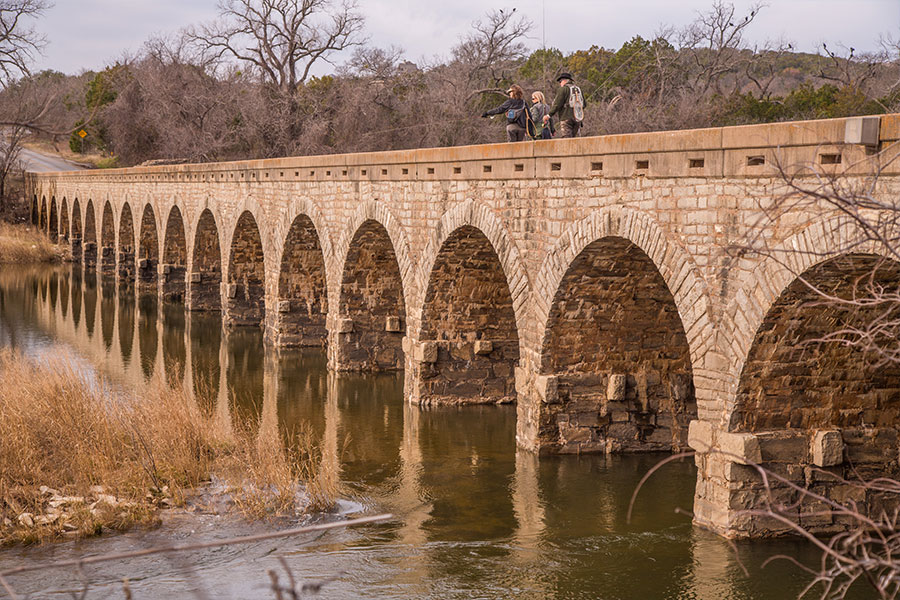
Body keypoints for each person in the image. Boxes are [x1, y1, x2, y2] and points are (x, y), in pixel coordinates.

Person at [544, 72, 586, 138]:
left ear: (564, 80)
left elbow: (557, 104)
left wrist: (548, 115)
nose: (560, 83)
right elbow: (584, 104)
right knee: (575, 140)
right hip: (577, 118)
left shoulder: (563, 89)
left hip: (566, 118)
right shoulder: (578, 89)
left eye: (560, 81)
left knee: (566, 139)